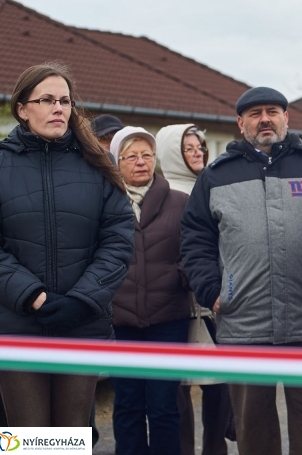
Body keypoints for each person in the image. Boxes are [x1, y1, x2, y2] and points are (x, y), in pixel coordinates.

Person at [181, 87, 302, 455]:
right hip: (243, 321)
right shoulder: (216, 176)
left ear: (287, 117)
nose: (264, 119)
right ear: (241, 123)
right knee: (253, 424)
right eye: (254, 114)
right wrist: (211, 290)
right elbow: (195, 237)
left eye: (272, 111)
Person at [0, 62, 134, 427]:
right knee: (28, 441)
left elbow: (118, 241)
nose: (59, 108)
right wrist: (34, 296)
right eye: (47, 100)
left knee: (69, 440)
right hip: (17, 326)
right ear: (22, 109)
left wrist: (81, 301)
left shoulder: (98, 166)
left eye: (65, 101)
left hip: (80, 325)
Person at [109, 126, 191, 455]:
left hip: (168, 319)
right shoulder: (105, 203)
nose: (141, 162)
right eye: (132, 156)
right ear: (117, 161)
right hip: (120, 320)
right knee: (127, 406)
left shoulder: (180, 202)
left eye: (147, 155)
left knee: (163, 407)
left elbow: (195, 251)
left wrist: (178, 275)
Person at [155, 123, 235, 455]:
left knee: (220, 388)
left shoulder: (213, 186)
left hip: (212, 304)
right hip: (175, 303)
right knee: (177, 392)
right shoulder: (160, 193)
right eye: (188, 148)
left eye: (200, 147)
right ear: (171, 152)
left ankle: (215, 449)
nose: (198, 153)